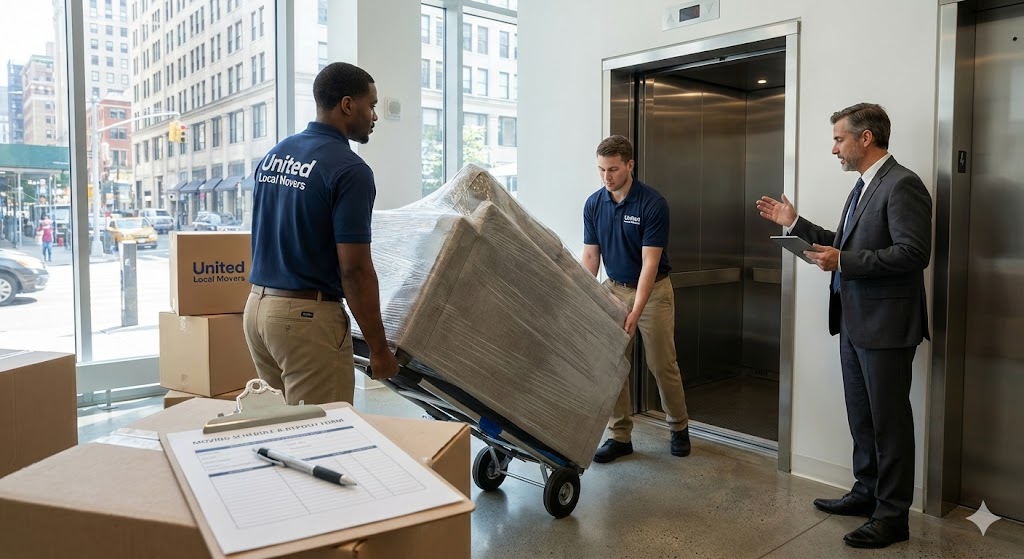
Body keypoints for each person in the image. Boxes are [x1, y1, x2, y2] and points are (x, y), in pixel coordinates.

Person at [756, 103, 931, 549]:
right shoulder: (861, 188)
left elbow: (914, 253)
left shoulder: (902, 184)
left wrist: (845, 262)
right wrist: (794, 224)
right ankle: (866, 491)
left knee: (890, 422)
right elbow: (843, 243)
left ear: (865, 138)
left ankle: (892, 516)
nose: (833, 147)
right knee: (863, 416)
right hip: (854, 322)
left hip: (887, 326)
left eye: (839, 138)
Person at [243, 62, 399, 406]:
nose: (374, 116)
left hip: (258, 311)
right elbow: (355, 271)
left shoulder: (276, 154)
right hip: (303, 320)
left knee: (280, 431)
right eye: (371, 106)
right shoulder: (350, 170)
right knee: (322, 435)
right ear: (347, 105)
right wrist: (380, 350)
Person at [582, 134, 691, 463]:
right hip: (613, 289)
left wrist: (636, 310)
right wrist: (582, 297)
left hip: (653, 291)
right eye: (601, 170)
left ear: (630, 165)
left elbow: (649, 264)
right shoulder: (594, 203)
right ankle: (620, 436)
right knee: (612, 364)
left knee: (661, 364)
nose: (606, 177)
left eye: (613, 169)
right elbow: (590, 257)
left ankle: (678, 427)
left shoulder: (652, 204)